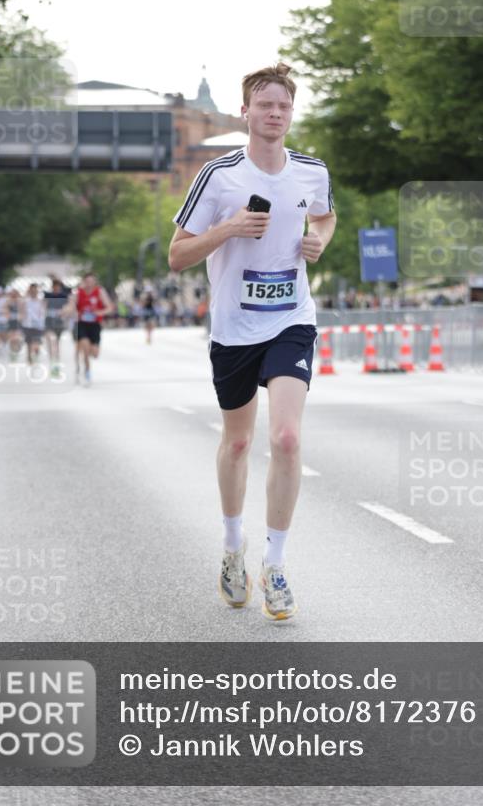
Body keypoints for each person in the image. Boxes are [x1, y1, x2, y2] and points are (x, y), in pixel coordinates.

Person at [168, 62, 336, 621]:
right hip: (234, 327)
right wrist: (228, 230)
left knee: (286, 437)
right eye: (264, 105)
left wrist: (317, 239)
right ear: (245, 112)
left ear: (292, 112)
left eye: (283, 106)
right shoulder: (219, 176)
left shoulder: (311, 171)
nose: (274, 114)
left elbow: (325, 217)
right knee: (238, 443)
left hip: (292, 318)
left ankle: (278, 565)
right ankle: (232, 548)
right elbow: (177, 254)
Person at [66, 272, 113, 386]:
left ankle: (85, 367)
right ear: (84, 282)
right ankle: (86, 372)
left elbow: (110, 307)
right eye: (87, 281)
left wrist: (100, 312)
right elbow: (71, 307)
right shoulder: (78, 293)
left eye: (92, 281)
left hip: (95, 325)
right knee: (85, 350)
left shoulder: (99, 292)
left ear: (95, 282)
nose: (89, 284)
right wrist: (69, 310)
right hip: (82, 324)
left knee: (95, 354)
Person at [44, 278, 69, 377]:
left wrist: (63, 313)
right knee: (51, 342)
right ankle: (52, 363)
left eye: (58, 287)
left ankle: (56, 365)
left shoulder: (64, 296)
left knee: (56, 346)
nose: (57, 288)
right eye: (55, 286)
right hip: (49, 323)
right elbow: (43, 306)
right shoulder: (48, 296)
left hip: (59, 324)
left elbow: (68, 307)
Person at [20, 283, 46, 368]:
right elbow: (22, 312)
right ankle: (29, 359)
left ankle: (35, 355)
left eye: (35, 290)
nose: (33, 292)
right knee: (29, 343)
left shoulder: (41, 301)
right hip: (28, 325)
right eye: (32, 290)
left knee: (36, 343)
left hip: (38, 326)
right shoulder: (25, 301)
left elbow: (43, 313)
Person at [6, 287, 23, 360]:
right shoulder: (8, 302)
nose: (14, 296)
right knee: (11, 339)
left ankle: (16, 350)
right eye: (12, 294)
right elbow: (5, 310)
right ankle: (12, 352)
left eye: (15, 294)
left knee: (17, 338)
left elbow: (23, 311)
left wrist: (21, 317)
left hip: (18, 323)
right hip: (10, 322)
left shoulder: (21, 302)